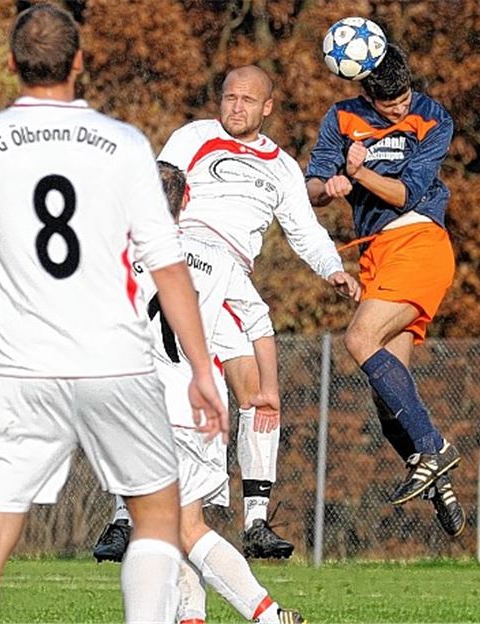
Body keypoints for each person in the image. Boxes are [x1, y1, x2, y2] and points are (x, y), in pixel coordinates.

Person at [0, 6, 226, 623]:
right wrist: (200, 367)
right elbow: (169, 268)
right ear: (79, 61)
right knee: (157, 517)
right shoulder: (124, 145)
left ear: (12, 62)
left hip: (18, 373)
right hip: (117, 365)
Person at [95, 64, 360, 562]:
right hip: (178, 265)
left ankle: (256, 522)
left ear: (268, 107)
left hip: (228, 280)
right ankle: (123, 519)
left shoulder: (282, 167)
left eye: (247, 100)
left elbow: (305, 230)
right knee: (145, 385)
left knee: (257, 393)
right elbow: (160, 187)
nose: (236, 108)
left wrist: (332, 269)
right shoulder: (194, 137)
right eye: (229, 98)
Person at [121, 162, 304, 623]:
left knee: (176, 527)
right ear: (186, 201)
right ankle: (196, 617)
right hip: (200, 407)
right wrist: (268, 388)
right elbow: (258, 321)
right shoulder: (215, 257)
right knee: (181, 523)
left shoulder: (117, 257)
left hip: (146, 408)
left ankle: (266, 615)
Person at [305, 44, 463, 536]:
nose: (399, 110)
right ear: (368, 97)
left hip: (418, 239)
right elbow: (310, 188)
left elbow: (405, 194)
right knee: (388, 397)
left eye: (403, 100)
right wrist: (329, 187)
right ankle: (437, 480)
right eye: (389, 106)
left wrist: (357, 173)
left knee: (358, 339)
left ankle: (435, 448)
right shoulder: (342, 117)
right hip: (375, 254)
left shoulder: (432, 117)